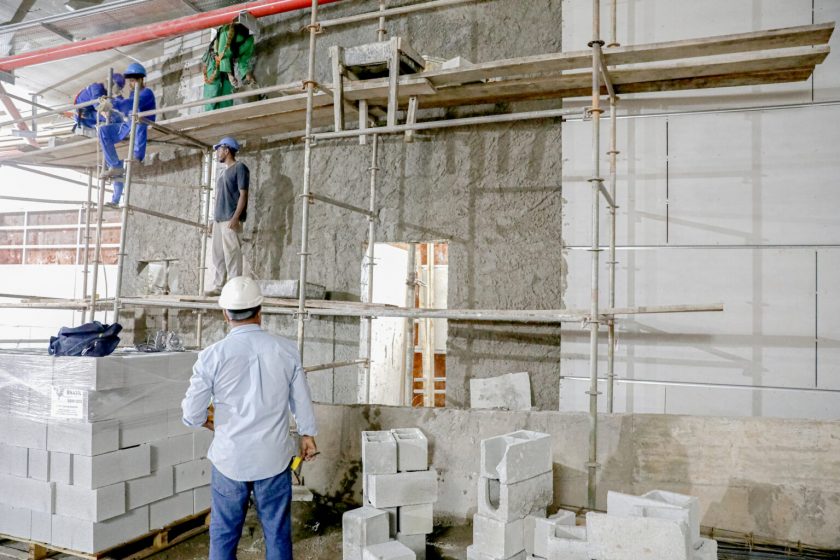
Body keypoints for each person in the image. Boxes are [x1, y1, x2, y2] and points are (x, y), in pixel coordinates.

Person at [181, 276, 318, 560]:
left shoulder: (212, 356)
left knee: (223, 534)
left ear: (225, 313)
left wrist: (208, 422)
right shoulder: (286, 350)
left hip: (230, 458)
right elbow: (301, 400)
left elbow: (192, 413)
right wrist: (307, 435)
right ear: (260, 310)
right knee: (277, 534)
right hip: (273, 458)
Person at [98, 62, 156, 207]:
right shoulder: (131, 94)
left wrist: (116, 99)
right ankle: (115, 165)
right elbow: (125, 108)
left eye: (134, 80)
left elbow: (131, 104)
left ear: (142, 80)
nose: (132, 83)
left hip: (141, 122)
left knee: (138, 121)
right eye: (130, 80)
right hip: (128, 124)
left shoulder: (147, 93)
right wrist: (113, 99)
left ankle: (137, 157)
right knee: (103, 131)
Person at [205, 136, 249, 297]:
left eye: (219, 151)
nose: (217, 154)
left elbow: (243, 195)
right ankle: (218, 286)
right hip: (219, 219)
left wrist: (236, 217)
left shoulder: (240, 168)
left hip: (231, 219)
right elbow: (218, 197)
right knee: (218, 254)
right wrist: (212, 219)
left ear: (226, 150)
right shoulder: (223, 173)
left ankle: (234, 288)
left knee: (232, 255)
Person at [202, 22, 256, 112]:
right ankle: (209, 120)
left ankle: (225, 120)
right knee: (212, 93)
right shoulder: (227, 30)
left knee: (227, 96)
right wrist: (230, 76)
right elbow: (222, 54)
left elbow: (243, 61)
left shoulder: (249, 40)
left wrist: (247, 74)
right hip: (214, 61)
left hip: (228, 64)